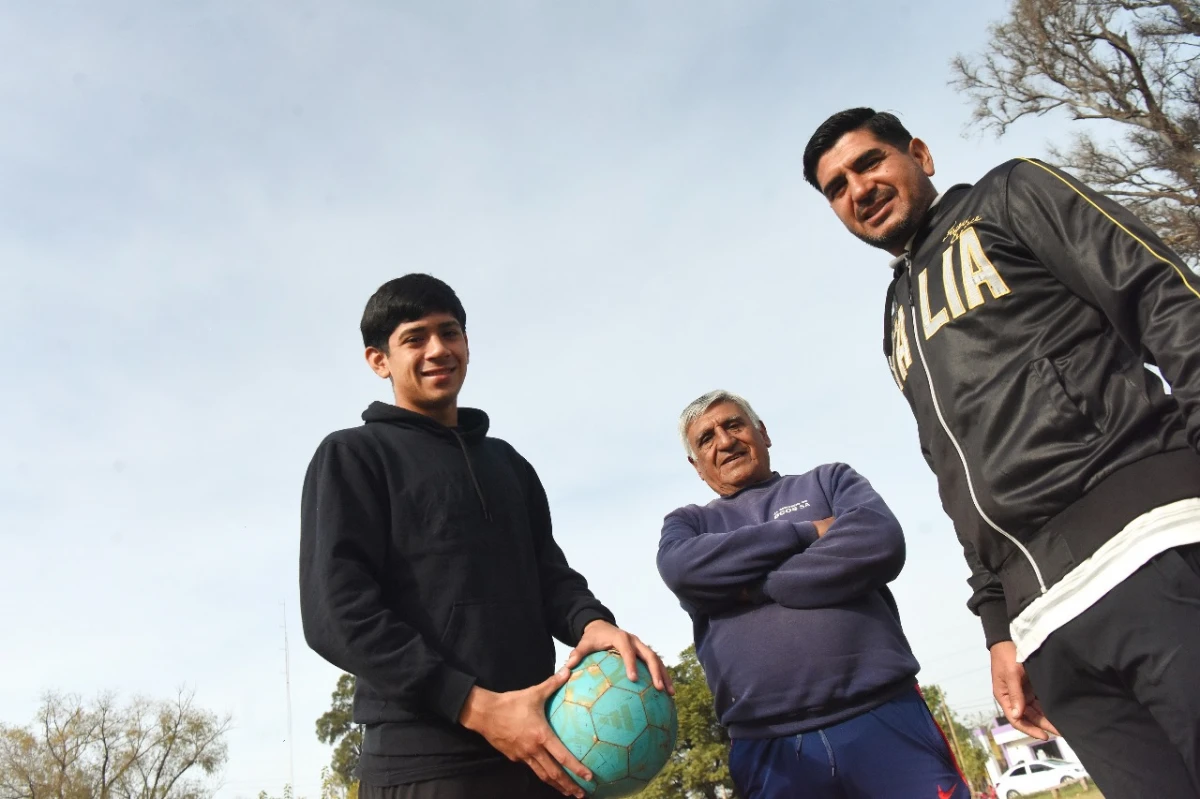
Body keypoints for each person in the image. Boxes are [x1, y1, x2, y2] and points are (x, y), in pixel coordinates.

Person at [803, 107, 1200, 798]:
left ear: (920, 153)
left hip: (1149, 545)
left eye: (869, 163)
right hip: (1047, 625)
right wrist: (999, 627)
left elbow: (1161, 294)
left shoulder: (1012, 194)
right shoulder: (896, 321)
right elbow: (953, 477)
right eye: (836, 187)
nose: (858, 189)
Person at [299, 274, 671, 799]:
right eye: (415, 338)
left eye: (450, 333)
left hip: (543, 749)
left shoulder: (509, 464)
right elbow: (337, 615)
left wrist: (591, 623)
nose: (438, 349)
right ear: (378, 360)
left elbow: (549, 575)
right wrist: (474, 705)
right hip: (427, 763)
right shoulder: (351, 457)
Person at [656, 389, 970, 799]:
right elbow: (682, 568)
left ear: (762, 433)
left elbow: (880, 540)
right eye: (707, 438)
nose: (725, 441)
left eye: (734, 425)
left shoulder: (829, 481)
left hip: (885, 715)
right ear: (696, 466)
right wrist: (807, 532)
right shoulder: (689, 524)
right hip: (770, 744)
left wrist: (760, 585)